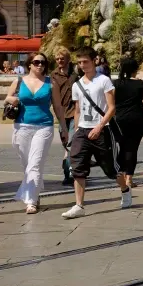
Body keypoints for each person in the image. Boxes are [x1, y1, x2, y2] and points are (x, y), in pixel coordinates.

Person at [63, 47, 130, 218]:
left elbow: (112, 108)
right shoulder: (77, 84)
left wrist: (99, 127)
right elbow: (77, 110)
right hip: (82, 130)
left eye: (85, 61)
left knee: (110, 168)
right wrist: (77, 130)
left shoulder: (104, 80)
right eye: (79, 62)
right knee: (77, 166)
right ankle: (79, 205)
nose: (82, 65)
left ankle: (125, 189)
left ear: (94, 61)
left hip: (103, 130)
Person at [5, 52, 59, 214]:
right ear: (29, 64)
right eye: (36, 62)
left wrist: (63, 126)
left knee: (35, 164)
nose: (40, 65)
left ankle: (31, 202)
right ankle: (35, 192)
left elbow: (58, 107)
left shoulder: (51, 83)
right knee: (27, 165)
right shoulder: (19, 81)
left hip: (44, 126)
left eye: (43, 63)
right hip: (22, 127)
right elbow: (7, 97)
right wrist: (10, 99)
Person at [111, 56, 143, 189]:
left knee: (122, 148)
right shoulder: (141, 84)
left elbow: (110, 103)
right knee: (132, 149)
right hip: (137, 120)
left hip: (120, 120)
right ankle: (129, 179)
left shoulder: (116, 84)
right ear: (136, 69)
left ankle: (121, 176)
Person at [51, 47, 78, 186]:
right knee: (66, 145)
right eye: (57, 59)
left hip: (74, 113)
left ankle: (71, 174)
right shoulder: (53, 76)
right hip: (61, 114)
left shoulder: (75, 74)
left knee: (71, 144)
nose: (60, 61)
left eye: (62, 58)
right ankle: (68, 171)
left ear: (68, 59)